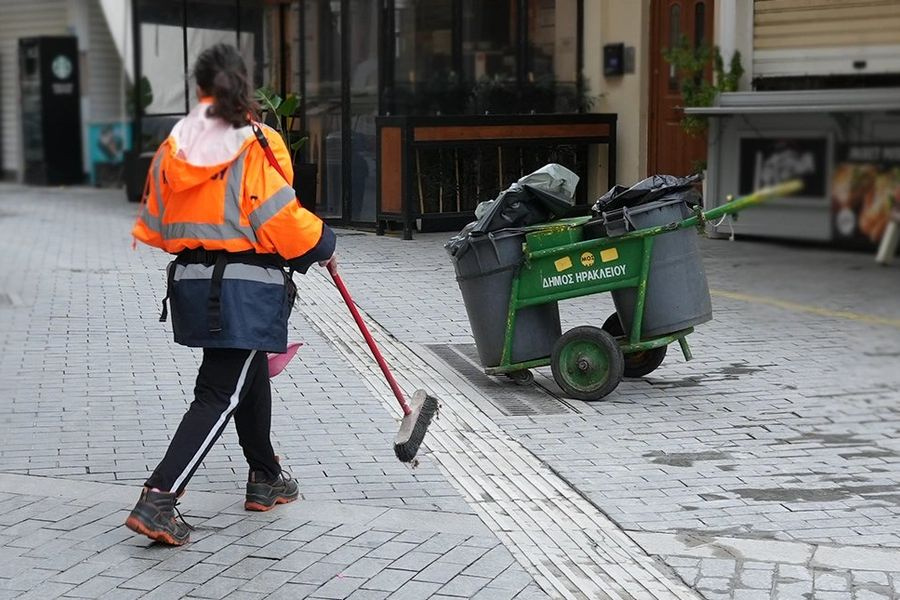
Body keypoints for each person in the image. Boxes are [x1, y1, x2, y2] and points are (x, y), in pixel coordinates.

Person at [126, 43, 336, 546]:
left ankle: (265, 476)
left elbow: (157, 223)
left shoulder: (175, 145)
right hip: (246, 288)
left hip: (193, 283)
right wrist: (322, 244)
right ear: (244, 84)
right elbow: (279, 216)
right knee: (219, 393)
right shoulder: (255, 141)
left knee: (248, 370)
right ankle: (159, 499)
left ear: (199, 87)